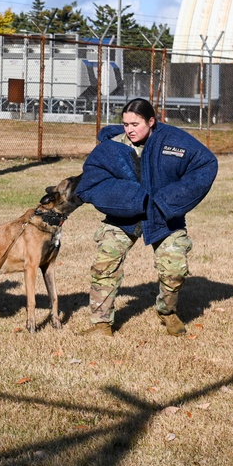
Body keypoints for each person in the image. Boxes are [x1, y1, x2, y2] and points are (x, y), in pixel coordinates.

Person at [75, 98, 218, 337]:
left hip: (163, 215)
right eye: (125, 124)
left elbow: (205, 164)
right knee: (105, 264)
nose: (130, 129)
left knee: (174, 270)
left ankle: (167, 312)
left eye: (135, 123)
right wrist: (129, 199)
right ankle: (101, 324)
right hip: (124, 216)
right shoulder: (112, 146)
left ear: (151, 121)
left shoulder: (173, 142)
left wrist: (168, 201)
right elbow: (90, 182)